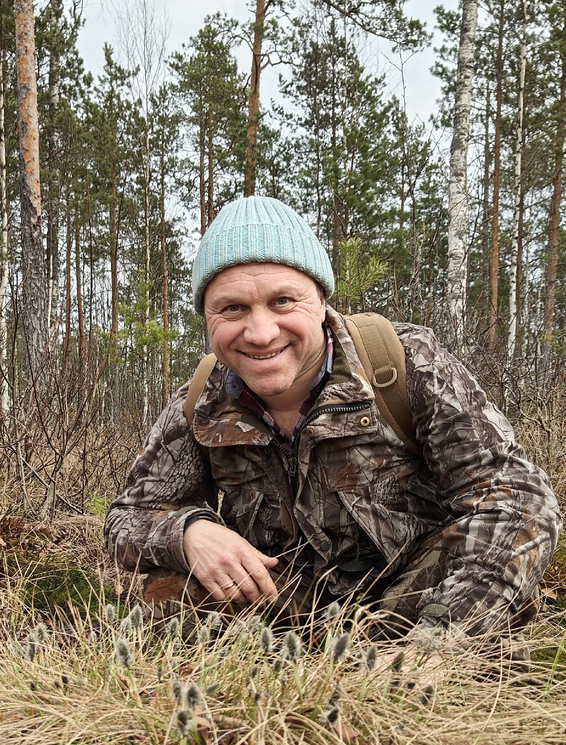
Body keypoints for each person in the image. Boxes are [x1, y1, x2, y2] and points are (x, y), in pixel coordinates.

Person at [104, 196, 561, 643]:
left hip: (415, 603)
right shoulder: (200, 401)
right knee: (170, 589)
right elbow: (127, 518)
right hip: (282, 607)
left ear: (321, 299)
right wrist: (190, 533)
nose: (260, 333)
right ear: (206, 316)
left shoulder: (404, 362)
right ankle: (251, 680)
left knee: (495, 551)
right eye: (232, 308)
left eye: (283, 301)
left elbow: (519, 500)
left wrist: (435, 646)